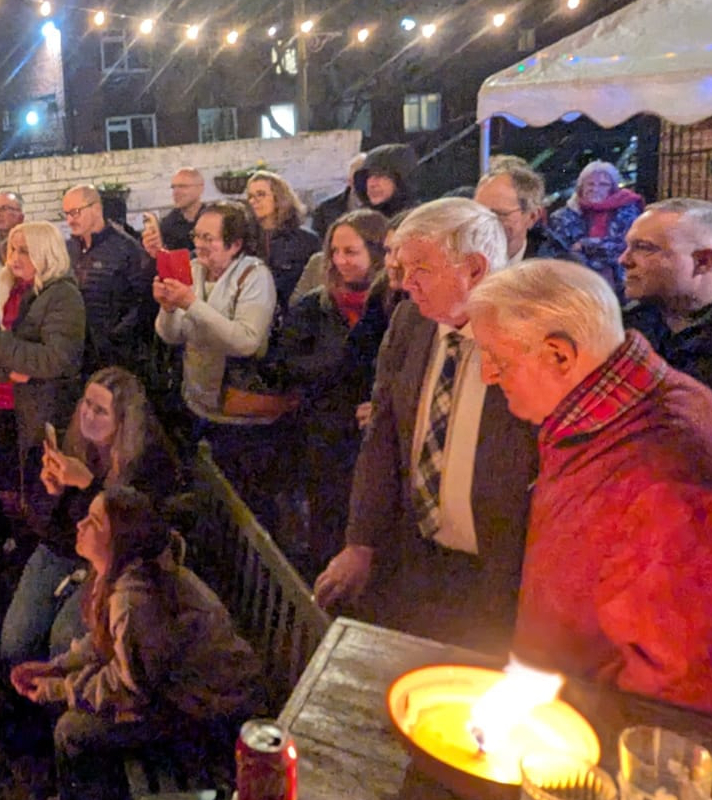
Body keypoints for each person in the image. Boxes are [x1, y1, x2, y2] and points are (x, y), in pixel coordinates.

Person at [469, 260, 712, 714]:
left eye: (497, 358)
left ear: (560, 355)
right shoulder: (618, 413)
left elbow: (680, 685)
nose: (487, 376)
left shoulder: (663, 478)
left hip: (593, 738)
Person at [11, 487, 262, 800]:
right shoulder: (123, 575)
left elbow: (129, 689)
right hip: (174, 690)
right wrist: (57, 666)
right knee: (75, 722)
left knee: (74, 732)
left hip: (208, 711)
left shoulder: (135, 599)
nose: (80, 524)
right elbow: (105, 642)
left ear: (118, 541)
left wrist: (61, 689)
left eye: (94, 522)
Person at [313, 198, 535, 652]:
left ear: (474, 269)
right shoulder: (411, 319)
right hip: (416, 558)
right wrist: (361, 542)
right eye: (400, 265)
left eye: (420, 268)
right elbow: (383, 436)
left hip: (504, 571)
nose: (403, 282)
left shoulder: (529, 334)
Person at [1, 366, 183, 666]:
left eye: (101, 411)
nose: (87, 415)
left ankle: (66, 703)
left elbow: (134, 535)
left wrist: (88, 484)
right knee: (15, 643)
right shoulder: (70, 442)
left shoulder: (148, 462)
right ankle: (25, 699)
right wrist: (52, 491)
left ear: (123, 422)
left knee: (64, 643)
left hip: (111, 564)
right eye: (86, 403)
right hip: (62, 550)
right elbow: (42, 525)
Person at [269, 213, 397, 579]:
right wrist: (339, 362)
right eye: (335, 251)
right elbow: (284, 363)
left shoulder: (395, 305)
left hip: (374, 433)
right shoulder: (315, 306)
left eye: (351, 251)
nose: (341, 261)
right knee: (326, 521)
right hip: (325, 432)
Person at [0, 220, 88, 536]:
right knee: (2, 486)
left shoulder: (62, 295)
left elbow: (54, 359)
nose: (14, 257)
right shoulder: (1, 286)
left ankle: (36, 548)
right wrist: (4, 371)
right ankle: (12, 543)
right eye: (12, 249)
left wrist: (1, 342)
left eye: (25, 251)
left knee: (35, 490)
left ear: (46, 253)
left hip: (38, 410)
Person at [153, 201, 278, 490]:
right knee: (206, 487)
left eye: (208, 238)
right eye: (196, 236)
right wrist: (168, 308)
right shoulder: (194, 270)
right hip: (197, 400)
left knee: (243, 496)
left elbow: (247, 341)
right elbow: (172, 336)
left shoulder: (254, 276)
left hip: (239, 412)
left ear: (234, 244)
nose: (198, 244)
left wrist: (191, 304)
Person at [618, 199, 712, 417]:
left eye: (644, 248)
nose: (624, 260)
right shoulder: (625, 325)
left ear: (703, 261)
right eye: (628, 246)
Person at [61, 184, 155, 373]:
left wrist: (115, 336)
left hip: (116, 357)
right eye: (66, 214)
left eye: (75, 212)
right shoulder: (68, 249)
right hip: (77, 353)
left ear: (96, 208)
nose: (70, 220)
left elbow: (144, 301)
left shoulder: (126, 248)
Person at [545, 160, 643, 294]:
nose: (595, 189)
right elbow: (561, 252)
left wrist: (584, 244)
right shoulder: (562, 216)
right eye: (590, 184)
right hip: (574, 281)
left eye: (603, 184)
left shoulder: (627, 209)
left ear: (613, 189)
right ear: (581, 187)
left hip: (620, 282)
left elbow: (623, 244)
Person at [244, 172, 319, 323]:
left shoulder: (306, 240)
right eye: (250, 196)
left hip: (292, 317)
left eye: (261, 194)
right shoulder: (244, 239)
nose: (254, 201)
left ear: (278, 198)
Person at [474, 159, 569, 263]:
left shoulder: (558, 270)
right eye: (478, 211)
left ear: (532, 217)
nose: (483, 221)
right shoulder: (458, 254)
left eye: (499, 214)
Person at [312, 142, 416, 234]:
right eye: (368, 177)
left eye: (380, 175)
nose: (371, 183)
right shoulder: (359, 223)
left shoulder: (418, 221)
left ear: (400, 180)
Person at [141, 167, 207, 257]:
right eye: (173, 187)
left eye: (183, 186)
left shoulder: (214, 220)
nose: (176, 192)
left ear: (200, 188)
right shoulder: (167, 225)